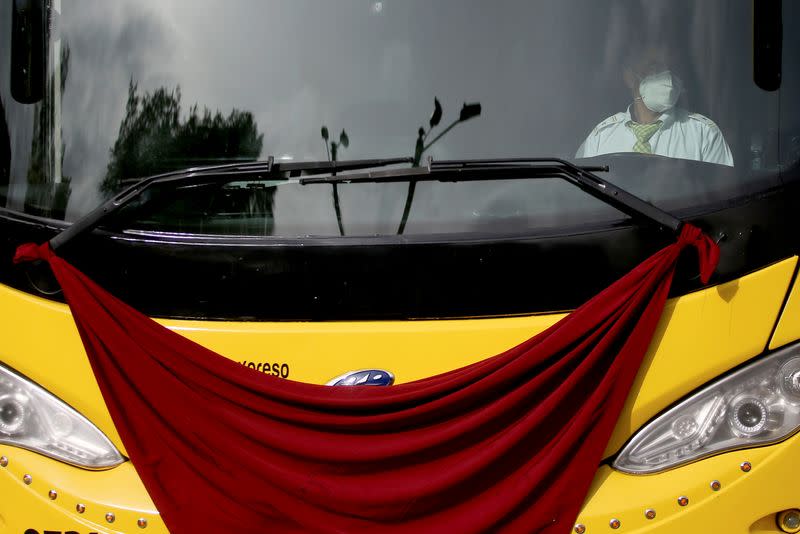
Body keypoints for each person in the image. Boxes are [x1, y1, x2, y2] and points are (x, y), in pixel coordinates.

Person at [576, 46, 734, 166]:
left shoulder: (704, 135)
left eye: (671, 69)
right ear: (629, 77)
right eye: (655, 67)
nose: (667, 78)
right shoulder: (600, 138)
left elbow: (720, 197)